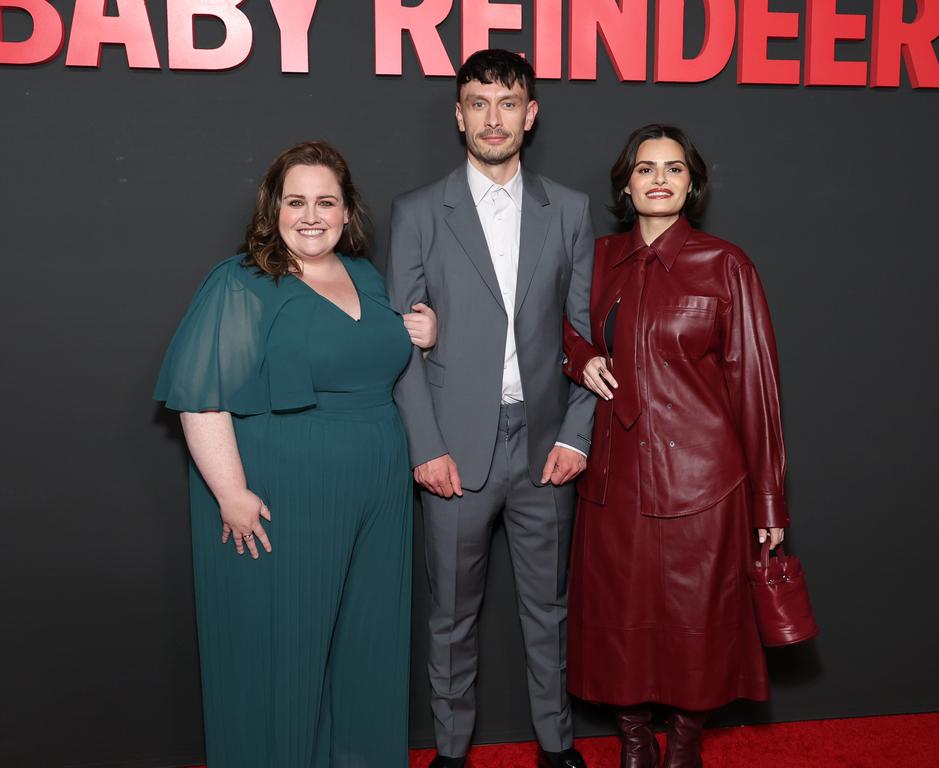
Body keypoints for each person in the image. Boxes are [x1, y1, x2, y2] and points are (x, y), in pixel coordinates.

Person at [154, 141, 435, 767]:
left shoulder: (366, 274)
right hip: (283, 489)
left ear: (346, 210)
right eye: (296, 201)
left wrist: (423, 331)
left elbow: (378, 352)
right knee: (285, 648)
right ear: (273, 208)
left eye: (326, 201)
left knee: (368, 644)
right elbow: (201, 401)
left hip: (380, 489)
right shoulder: (242, 282)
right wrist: (231, 493)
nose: (312, 215)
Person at [386, 49, 595, 768]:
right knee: (451, 619)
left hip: (543, 448)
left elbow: (585, 337)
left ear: (530, 114)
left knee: (550, 612)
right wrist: (424, 446)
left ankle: (556, 743)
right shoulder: (417, 212)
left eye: (508, 103)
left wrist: (577, 435)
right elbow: (399, 343)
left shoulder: (568, 210)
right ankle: (450, 751)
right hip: (454, 445)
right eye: (479, 102)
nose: (494, 117)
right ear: (459, 114)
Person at [561, 124, 791, 768]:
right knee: (619, 620)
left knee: (698, 624)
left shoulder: (726, 263)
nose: (658, 178)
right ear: (625, 183)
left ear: (692, 184)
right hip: (615, 476)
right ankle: (635, 745)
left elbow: (756, 386)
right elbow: (554, 324)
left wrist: (770, 505)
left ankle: (683, 748)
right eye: (644, 168)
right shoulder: (597, 257)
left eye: (674, 168)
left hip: (705, 482)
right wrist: (580, 357)